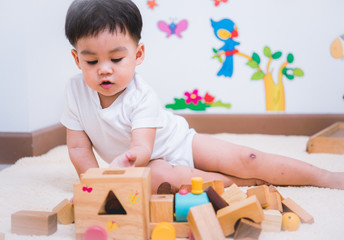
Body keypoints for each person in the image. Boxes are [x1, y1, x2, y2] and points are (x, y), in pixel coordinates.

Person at [61, 0, 344, 193]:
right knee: (159, 181)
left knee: (249, 157)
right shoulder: (75, 92)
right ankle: (239, 183)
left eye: (117, 58)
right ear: (76, 59)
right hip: (148, 169)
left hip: (178, 145)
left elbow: (142, 148)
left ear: (138, 55)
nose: (105, 70)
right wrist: (94, 185)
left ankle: (323, 177)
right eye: (92, 62)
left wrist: (125, 161)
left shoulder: (141, 95)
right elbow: (78, 149)